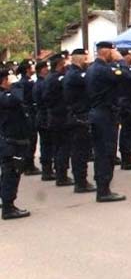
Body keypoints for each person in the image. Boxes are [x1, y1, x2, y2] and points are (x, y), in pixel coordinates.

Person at [85, 41, 126, 203]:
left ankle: (103, 188)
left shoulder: (92, 69)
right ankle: (103, 190)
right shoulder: (102, 69)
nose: (114, 53)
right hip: (104, 115)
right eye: (112, 50)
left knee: (103, 152)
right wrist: (121, 60)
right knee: (106, 153)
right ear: (105, 51)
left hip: (99, 113)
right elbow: (126, 76)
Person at [63, 48, 95, 194]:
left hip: (80, 115)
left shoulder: (75, 73)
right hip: (78, 117)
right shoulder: (74, 75)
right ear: (80, 58)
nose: (87, 59)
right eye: (86, 57)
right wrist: (92, 65)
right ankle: (80, 182)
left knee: (82, 151)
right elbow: (90, 79)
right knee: (79, 152)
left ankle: (81, 180)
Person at [1, 67, 31, 220]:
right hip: (9, 141)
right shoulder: (5, 96)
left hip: (12, 140)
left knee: (10, 173)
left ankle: (7, 203)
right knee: (11, 174)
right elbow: (17, 99)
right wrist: (17, 84)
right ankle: (8, 207)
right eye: (9, 80)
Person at [42, 54, 73, 187]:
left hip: (55, 115)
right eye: (65, 65)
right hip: (59, 116)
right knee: (63, 147)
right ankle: (62, 175)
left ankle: (60, 173)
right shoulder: (57, 79)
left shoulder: (50, 78)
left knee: (59, 146)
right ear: (60, 66)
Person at [12, 59, 41, 176]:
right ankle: (28, 165)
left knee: (32, 139)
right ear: (27, 69)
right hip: (29, 111)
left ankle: (29, 163)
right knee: (31, 138)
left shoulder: (27, 81)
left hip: (30, 111)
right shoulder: (26, 82)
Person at [33, 60, 56, 181]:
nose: (47, 69)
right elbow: (46, 99)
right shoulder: (42, 84)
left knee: (46, 144)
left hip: (42, 116)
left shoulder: (40, 83)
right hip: (44, 116)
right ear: (41, 70)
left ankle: (47, 170)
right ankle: (47, 170)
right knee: (47, 145)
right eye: (45, 68)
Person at [116, 49, 131, 170]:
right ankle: (126, 158)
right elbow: (129, 78)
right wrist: (122, 61)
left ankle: (127, 157)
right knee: (127, 132)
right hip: (125, 103)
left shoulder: (125, 67)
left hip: (127, 102)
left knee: (129, 131)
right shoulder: (120, 68)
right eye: (129, 55)